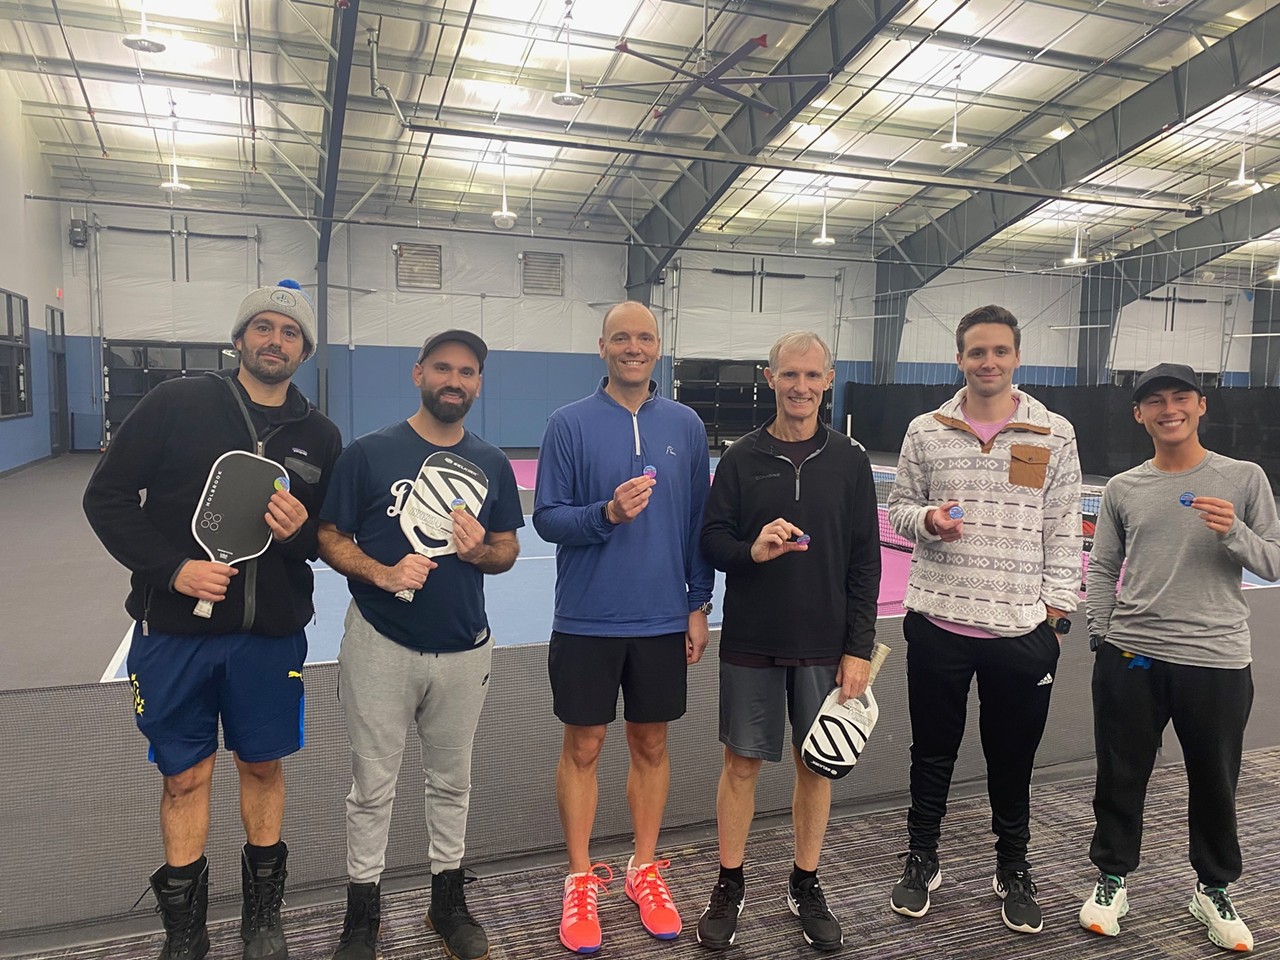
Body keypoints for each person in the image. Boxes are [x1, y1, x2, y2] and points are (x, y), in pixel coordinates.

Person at [83, 280, 342, 960]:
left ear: (305, 350)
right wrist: (171, 569)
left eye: (289, 333)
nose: (275, 340)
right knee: (185, 778)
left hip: (269, 638)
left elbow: (321, 540)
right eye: (262, 327)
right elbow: (106, 498)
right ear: (239, 339)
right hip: (174, 635)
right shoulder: (178, 402)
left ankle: (263, 922)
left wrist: (298, 530)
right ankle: (186, 934)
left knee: (262, 769)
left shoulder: (320, 434)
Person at [317, 330, 522, 960]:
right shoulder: (370, 453)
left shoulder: (491, 463)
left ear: (479, 383)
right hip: (381, 644)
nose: (453, 380)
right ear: (418, 374)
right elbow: (329, 534)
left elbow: (508, 549)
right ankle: (362, 912)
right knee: (372, 786)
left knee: (451, 783)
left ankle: (447, 903)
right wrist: (382, 572)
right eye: (442, 368)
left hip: (465, 650)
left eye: (466, 372)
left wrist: (479, 550)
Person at [885, 303, 1082, 935]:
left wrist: (1054, 616)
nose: (988, 362)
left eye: (999, 351)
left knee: (1012, 759)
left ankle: (1013, 865)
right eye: (976, 352)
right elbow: (898, 511)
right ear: (961, 359)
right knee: (931, 754)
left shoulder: (1055, 433)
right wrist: (928, 522)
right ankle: (922, 858)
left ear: (1016, 358)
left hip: (1022, 633)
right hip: (939, 623)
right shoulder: (926, 430)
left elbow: (1062, 527)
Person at [1078, 363, 1280, 952]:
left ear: (1200, 406)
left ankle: (1212, 888)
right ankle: (1112, 878)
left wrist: (1235, 533)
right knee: (1119, 777)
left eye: (1181, 397)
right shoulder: (1122, 487)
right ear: (1139, 414)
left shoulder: (1243, 479)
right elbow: (1101, 564)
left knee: (1215, 782)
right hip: (1132, 658)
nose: (1170, 409)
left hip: (1216, 661)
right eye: (1155, 401)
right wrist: (1102, 634)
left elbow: (1273, 561)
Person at [533, 300, 714, 954]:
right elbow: (548, 519)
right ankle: (580, 878)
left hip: (664, 619)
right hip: (586, 618)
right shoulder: (567, 424)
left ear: (657, 346)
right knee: (582, 747)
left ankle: (643, 869)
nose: (632, 347)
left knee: (651, 745)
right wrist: (605, 513)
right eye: (621, 337)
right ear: (602, 347)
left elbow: (698, 522)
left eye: (643, 337)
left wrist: (699, 603)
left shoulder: (686, 426)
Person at [696, 331, 881, 952]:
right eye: (789, 374)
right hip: (751, 637)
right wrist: (752, 548)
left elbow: (865, 561)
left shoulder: (851, 461)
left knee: (814, 764)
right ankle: (730, 882)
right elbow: (712, 540)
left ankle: (806, 881)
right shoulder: (741, 458)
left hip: (826, 646)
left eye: (812, 375)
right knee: (741, 763)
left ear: (828, 380)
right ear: (769, 378)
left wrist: (858, 648)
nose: (800, 386)